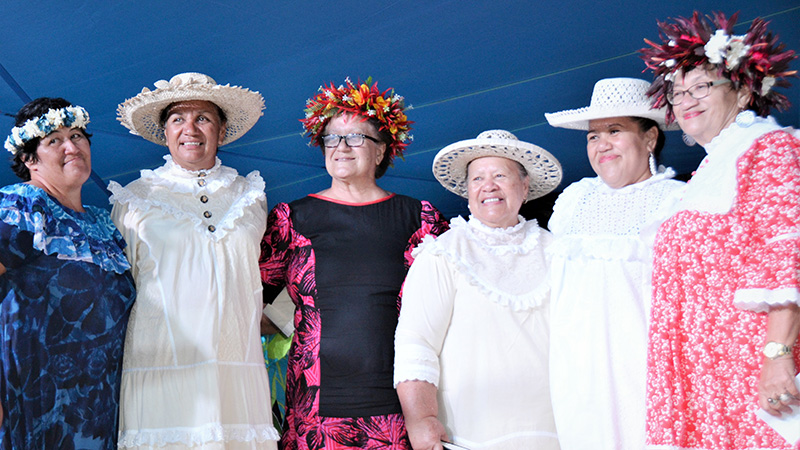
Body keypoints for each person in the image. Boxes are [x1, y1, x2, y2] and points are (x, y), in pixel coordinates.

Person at [259, 77, 449, 450]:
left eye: (356, 137)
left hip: (402, 405)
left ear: (381, 151)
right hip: (315, 410)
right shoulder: (291, 219)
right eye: (332, 138)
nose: (341, 147)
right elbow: (250, 301)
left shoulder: (420, 219)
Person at [640, 11, 800, 449]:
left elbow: (786, 255)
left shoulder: (769, 147)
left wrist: (778, 356)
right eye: (677, 92)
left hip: (748, 361)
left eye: (701, 87)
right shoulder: (710, 169)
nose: (686, 100)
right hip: (706, 372)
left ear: (744, 91)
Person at [109, 73, 279, 449]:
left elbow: (280, 272)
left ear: (220, 130)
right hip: (160, 370)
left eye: (202, 117)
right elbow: (116, 288)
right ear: (165, 132)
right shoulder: (134, 199)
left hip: (237, 368)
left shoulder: (251, 196)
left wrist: (278, 320)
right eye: (177, 119)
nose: (190, 128)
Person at [394, 130, 563, 450]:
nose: (489, 186)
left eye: (501, 175)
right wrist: (421, 420)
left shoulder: (558, 251)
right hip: (467, 436)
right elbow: (415, 342)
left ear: (525, 187)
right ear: (468, 191)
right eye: (478, 178)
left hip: (553, 432)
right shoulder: (442, 253)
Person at [543, 77, 684, 449]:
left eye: (615, 130)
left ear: (650, 137)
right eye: (592, 135)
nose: (601, 143)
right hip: (576, 381)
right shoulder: (573, 200)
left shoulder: (677, 201)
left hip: (644, 378)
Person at [0, 98, 135, 449]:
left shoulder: (104, 224)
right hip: (33, 408)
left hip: (100, 414)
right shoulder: (22, 206)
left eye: (77, 135)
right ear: (30, 159)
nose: (71, 146)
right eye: (53, 140)